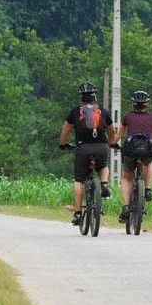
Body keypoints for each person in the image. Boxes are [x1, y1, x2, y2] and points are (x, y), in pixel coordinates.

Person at [59, 82, 115, 225]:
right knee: (103, 166)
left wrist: (63, 144)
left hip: (83, 149)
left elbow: (66, 129)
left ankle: (78, 213)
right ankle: (103, 184)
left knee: (79, 180)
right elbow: (111, 130)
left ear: (81, 98)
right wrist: (111, 143)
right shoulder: (102, 110)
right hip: (101, 147)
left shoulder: (76, 111)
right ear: (95, 97)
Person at [111, 90, 152, 223]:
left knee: (126, 177)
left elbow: (120, 134)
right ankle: (148, 189)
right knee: (148, 163)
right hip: (147, 149)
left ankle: (126, 207)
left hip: (131, 150)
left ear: (133, 104)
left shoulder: (127, 117)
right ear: (147, 104)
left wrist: (112, 143)